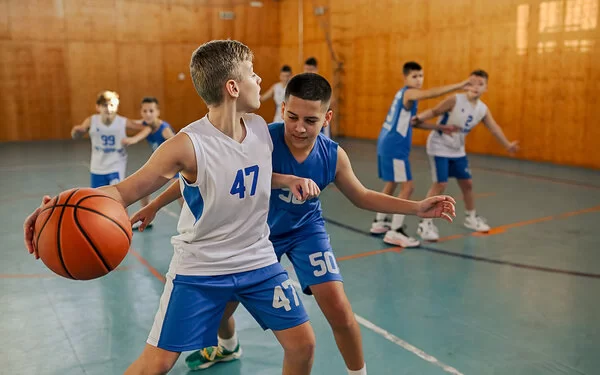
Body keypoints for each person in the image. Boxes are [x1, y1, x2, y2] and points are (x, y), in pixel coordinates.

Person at [24, 40, 320, 375]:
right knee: (157, 364)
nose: (261, 80)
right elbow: (122, 191)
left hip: (257, 258)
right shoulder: (187, 145)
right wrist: (56, 208)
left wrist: (287, 179)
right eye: (253, 73)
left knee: (303, 345)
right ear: (233, 87)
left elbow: (243, 172)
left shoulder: (257, 128)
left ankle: (226, 345)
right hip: (201, 267)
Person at [132, 73, 457, 374]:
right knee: (222, 309)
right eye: (293, 117)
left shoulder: (332, 155)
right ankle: (227, 347)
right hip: (255, 237)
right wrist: (157, 205)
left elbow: (362, 196)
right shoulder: (260, 139)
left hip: (305, 231)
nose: (300, 127)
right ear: (283, 109)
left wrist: (417, 207)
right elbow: (204, 176)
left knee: (340, 310)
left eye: (311, 120)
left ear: (326, 118)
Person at [371, 61, 471, 248]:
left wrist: (440, 127)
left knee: (392, 183)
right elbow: (429, 94)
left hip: (387, 143)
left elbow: (413, 122)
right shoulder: (409, 93)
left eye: (421, 76)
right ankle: (395, 231)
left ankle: (379, 221)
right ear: (406, 78)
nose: (418, 80)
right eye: (414, 76)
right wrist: (459, 85)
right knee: (408, 187)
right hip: (395, 146)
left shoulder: (405, 96)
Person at [413, 69, 519, 241]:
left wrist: (507, 145)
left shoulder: (482, 109)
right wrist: (417, 119)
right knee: (440, 183)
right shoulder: (455, 100)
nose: (475, 86)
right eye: (472, 82)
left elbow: (494, 128)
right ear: (466, 84)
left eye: (480, 83)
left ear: (486, 88)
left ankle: (471, 218)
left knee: (467, 184)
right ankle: (425, 223)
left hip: (457, 150)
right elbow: (433, 112)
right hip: (439, 146)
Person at [124, 96, 183, 230]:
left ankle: (192, 222)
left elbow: (178, 144)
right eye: (144, 111)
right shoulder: (146, 124)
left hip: (174, 165)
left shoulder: (164, 129)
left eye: (151, 111)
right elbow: (130, 122)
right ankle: (146, 219)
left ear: (157, 112)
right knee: (144, 188)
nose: (148, 114)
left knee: (181, 195)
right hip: (160, 164)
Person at [70, 90, 148, 188]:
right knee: (98, 197)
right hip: (97, 167)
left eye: (112, 105)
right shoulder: (91, 121)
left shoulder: (122, 121)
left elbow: (146, 128)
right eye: (104, 105)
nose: (108, 108)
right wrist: (76, 132)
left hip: (116, 165)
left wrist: (134, 139)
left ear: (117, 107)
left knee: (115, 194)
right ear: (98, 107)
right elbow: (76, 136)